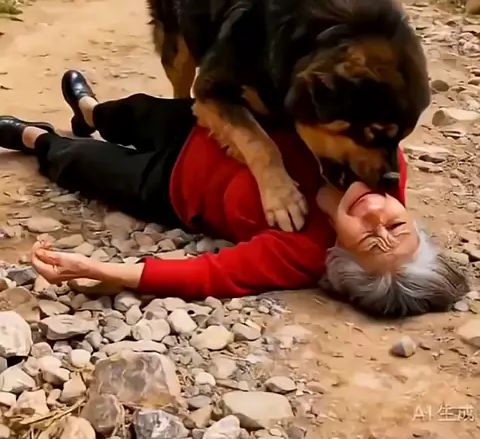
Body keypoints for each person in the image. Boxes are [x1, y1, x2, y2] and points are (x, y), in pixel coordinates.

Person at [0, 71, 468, 317]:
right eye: (396, 224)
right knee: (129, 113)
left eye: (368, 238)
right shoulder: (380, 159)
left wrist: (102, 270)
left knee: (81, 164)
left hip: (171, 187)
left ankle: (32, 138)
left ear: (340, 255)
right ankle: (89, 110)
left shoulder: (303, 254)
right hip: (207, 127)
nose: (374, 216)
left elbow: (212, 275)